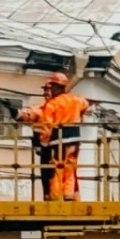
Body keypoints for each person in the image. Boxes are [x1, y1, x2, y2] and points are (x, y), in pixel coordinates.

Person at [17, 72, 90, 202]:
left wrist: (43, 145)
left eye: (49, 88)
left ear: (55, 87)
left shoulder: (52, 105)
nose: (47, 92)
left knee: (57, 169)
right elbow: (86, 105)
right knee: (69, 168)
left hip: (58, 141)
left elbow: (46, 127)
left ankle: (55, 197)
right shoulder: (76, 99)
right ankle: (69, 195)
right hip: (74, 139)